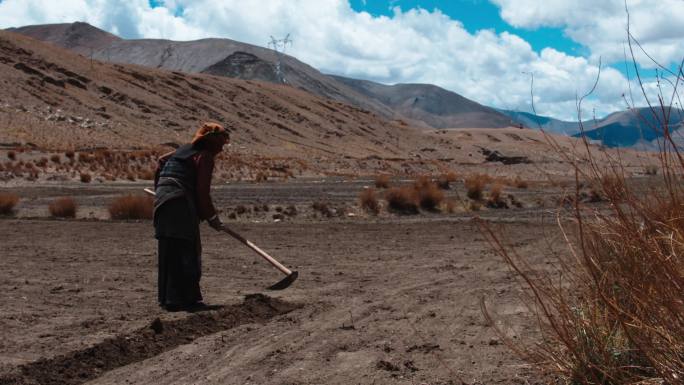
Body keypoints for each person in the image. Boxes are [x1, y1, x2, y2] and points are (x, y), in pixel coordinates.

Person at [153, 122, 229, 311]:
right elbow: (203, 192)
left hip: (163, 203)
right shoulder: (205, 157)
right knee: (188, 249)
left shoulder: (183, 151)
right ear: (211, 141)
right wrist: (212, 218)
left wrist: (160, 190)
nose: (222, 147)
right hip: (180, 203)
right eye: (221, 142)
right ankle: (188, 300)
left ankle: (169, 299)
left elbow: (161, 162)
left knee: (170, 249)